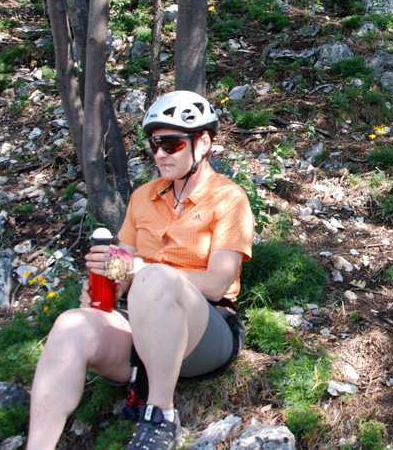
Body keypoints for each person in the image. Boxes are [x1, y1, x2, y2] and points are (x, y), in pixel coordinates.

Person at [26, 91, 254, 450]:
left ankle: (160, 415)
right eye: (155, 145)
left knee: (154, 276)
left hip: (207, 329)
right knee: (70, 324)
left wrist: (143, 269)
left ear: (204, 142)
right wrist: (108, 284)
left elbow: (216, 283)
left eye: (172, 143)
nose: (160, 153)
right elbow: (123, 267)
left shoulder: (229, 199)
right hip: (138, 321)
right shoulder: (143, 197)